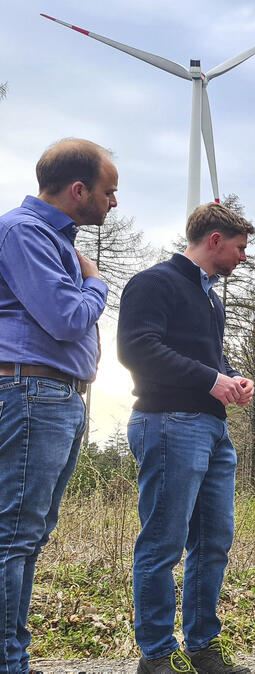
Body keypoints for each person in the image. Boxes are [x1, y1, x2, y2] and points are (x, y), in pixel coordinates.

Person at [118, 202, 255, 674]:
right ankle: (156, 654)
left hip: (212, 429)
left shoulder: (211, 297)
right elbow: (137, 349)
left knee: (213, 540)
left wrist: (233, 378)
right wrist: (211, 379)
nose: (243, 258)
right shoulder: (154, 282)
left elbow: (207, 358)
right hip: (168, 423)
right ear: (214, 240)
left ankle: (202, 646)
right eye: (239, 249)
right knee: (163, 543)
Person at [0, 138, 115, 673]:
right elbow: (68, 317)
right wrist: (97, 283)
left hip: (54, 396)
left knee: (29, 534)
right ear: (78, 189)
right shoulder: (26, 233)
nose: (113, 201)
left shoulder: (54, 239)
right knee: (14, 536)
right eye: (108, 191)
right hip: (31, 393)